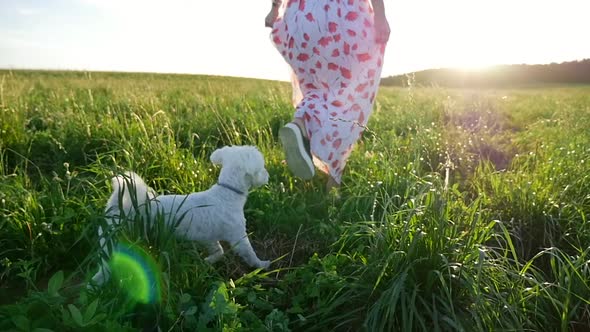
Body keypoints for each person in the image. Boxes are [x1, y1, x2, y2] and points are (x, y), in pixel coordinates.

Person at [265, 0, 390, 192]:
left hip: (300, 19)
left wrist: (274, 10)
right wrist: (380, 15)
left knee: (314, 91)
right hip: (342, 18)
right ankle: (333, 184)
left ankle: (299, 124)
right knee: (349, 100)